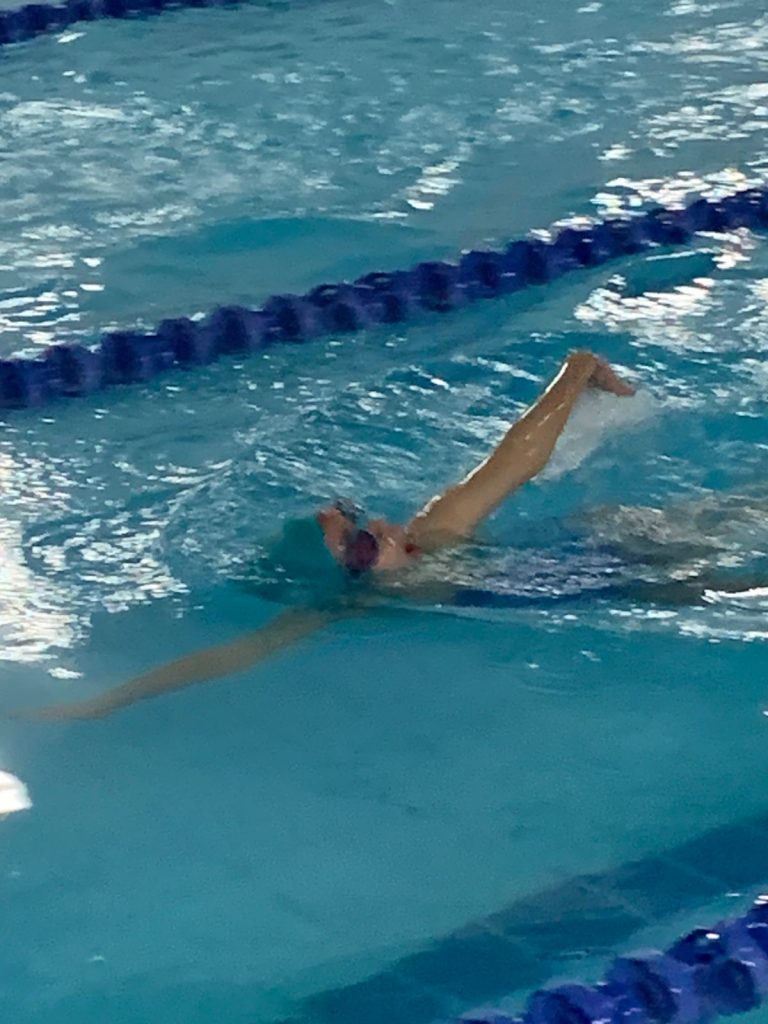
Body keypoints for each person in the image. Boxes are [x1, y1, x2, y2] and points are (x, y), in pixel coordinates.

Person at [17, 351, 636, 721]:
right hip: (603, 576)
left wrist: (575, 370)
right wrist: (102, 703)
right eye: (365, 545)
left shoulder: (436, 532)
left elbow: (514, 459)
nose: (388, 531)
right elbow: (233, 656)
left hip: (614, 549)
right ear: (346, 581)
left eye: (368, 525)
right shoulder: (350, 606)